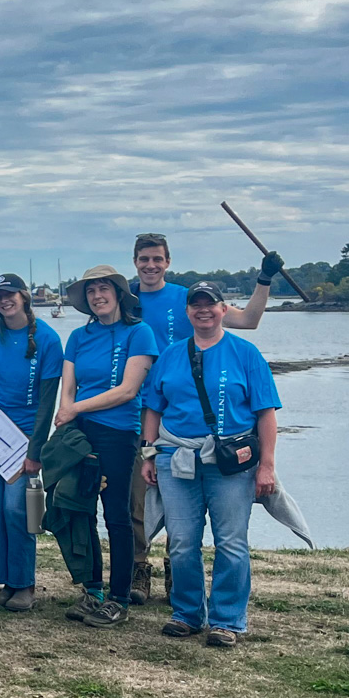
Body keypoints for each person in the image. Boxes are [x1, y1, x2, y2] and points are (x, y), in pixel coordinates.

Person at [127, 233, 282, 602]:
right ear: (135, 262)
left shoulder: (185, 296)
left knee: (188, 524)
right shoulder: (124, 298)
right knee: (140, 503)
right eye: (144, 259)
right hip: (139, 412)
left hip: (189, 416)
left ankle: (176, 580)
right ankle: (137, 571)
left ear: (167, 262)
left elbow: (248, 320)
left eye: (157, 259)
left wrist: (264, 280)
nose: (150, 266)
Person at [54, 264, 159, 628]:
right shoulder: (78, 337)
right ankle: (93, 589)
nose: (98, 296)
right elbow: (68, 384)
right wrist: (67, 410)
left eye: (104, 289)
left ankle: (119, 598)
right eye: (91, 291)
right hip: (81, 434)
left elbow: (128, 390)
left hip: (118, 433)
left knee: (117, 514)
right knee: (80, 509)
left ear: (117, 293)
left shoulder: (139, 333)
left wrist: (74, 407)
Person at [0, 273, 63, 611]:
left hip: (23, 440)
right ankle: (6, 580)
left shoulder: (47, 339)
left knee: (14, 509)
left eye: (11, 295)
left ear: (24, 297)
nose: (5, 301)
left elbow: (48, 401)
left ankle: (26, 585)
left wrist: (36, 451)